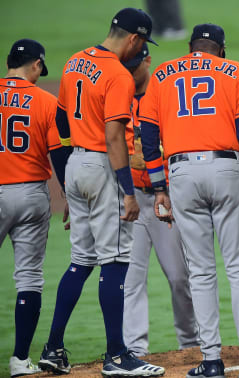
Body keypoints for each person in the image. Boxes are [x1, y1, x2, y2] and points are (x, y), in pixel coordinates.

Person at [139, 23, 239, 378]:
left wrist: (159, 188)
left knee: (200, 272)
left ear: (190, 47)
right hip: (224, 169)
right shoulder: (235, 72)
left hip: (182, 174)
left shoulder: (161, 75)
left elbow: (149, 136)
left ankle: (211, 361)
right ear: (221, 48)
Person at [37, 8, 164, 377]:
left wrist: (66, 185)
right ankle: (117, 356)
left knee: (80, 261)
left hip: (75, 165)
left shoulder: (75, 61)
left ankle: (53, 348)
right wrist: (127, 191)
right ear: (135, 39)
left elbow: (61, 122)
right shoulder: (117, 75)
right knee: (116, 262)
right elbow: (113, 138)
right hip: (102, 168)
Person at [122, 43, 199, 356]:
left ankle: (191, 344)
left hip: (166, 196)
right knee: (131, 277)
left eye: (133, 67)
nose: (128, 74)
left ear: (147, 61)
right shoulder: (117, 98)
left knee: (180, 276)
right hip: (132, 199)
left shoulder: (168, 94)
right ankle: (134, 349)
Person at [0, 38, 70, 378]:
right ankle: (19, 361)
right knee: (29, 277)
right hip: (30, 194)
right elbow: (58, 154)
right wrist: (70, 195)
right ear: (37, 65)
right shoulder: (45, 100)